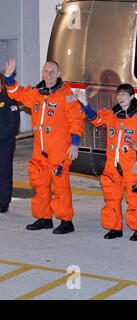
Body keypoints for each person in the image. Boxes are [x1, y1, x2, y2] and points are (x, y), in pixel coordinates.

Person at [4, 58, 84, 234]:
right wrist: (9, 77)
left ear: (59, 74)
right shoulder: (37, 93)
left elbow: (76, 120)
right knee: (40, 185)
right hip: (40, 151)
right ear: (42, 72)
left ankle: (66, 221)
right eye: (46, 71)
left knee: (61, 187)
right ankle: (44, 218)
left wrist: (75, 144)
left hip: (59, 150)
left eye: (53, 71)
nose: (49, 75)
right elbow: (17, 93)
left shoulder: (66, 94)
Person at [74, 84, 137, 240]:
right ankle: (115, 228)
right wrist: (85, 104)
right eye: (119, 94)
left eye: (124, 94)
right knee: (111, 197)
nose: (121, 97)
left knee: (133, 198)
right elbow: (96, 119)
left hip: (132, 165)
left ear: (132, 96)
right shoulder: (112, 114)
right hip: (113, 164)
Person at [0, 73, 20, 213]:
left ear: (2, 85)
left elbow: (13, 125)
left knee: (4, 171)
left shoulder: (10, 101)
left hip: (5, 143)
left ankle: (3, 202)